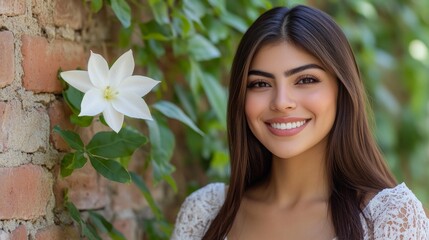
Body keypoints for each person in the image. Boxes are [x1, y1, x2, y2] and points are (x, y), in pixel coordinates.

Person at [171, 5, 429, 240]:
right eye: (260, 83)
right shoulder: (205, 213)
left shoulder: (390, 218)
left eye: (305, 80)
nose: (281, 102)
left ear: (342, 89)